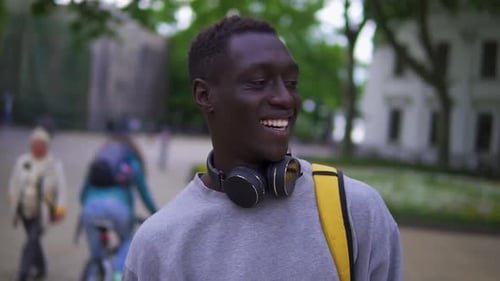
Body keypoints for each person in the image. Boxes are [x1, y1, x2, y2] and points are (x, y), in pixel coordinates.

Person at [124, 15, 402, 280]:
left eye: (291, 83)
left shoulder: (357, 210)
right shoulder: (159, 243)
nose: (285, 98)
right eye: (258, 82)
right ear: (204, 95)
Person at [79, 133, 158, 281]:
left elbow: (83, 194)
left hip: (90, 209)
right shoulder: (131, 163)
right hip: (119, 210)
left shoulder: (99, 162)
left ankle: (92, 275)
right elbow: (144, 195)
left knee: (96, 257)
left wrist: (87, 209)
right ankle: (117, 274)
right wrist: (157, 215)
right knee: (127, 240)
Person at [8, 126, 67, 281]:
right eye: (34, 144)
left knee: (31, 241)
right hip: (24, 209)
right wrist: (14, 203)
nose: (36, 147)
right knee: (33, 240)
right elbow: (14, 183)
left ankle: (23, 273)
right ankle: (41, 268)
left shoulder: (54, 164)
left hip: (43, 211)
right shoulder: (23, 161)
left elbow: (62, 188)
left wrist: (60, 209)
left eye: (40, 144)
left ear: (46, 146)